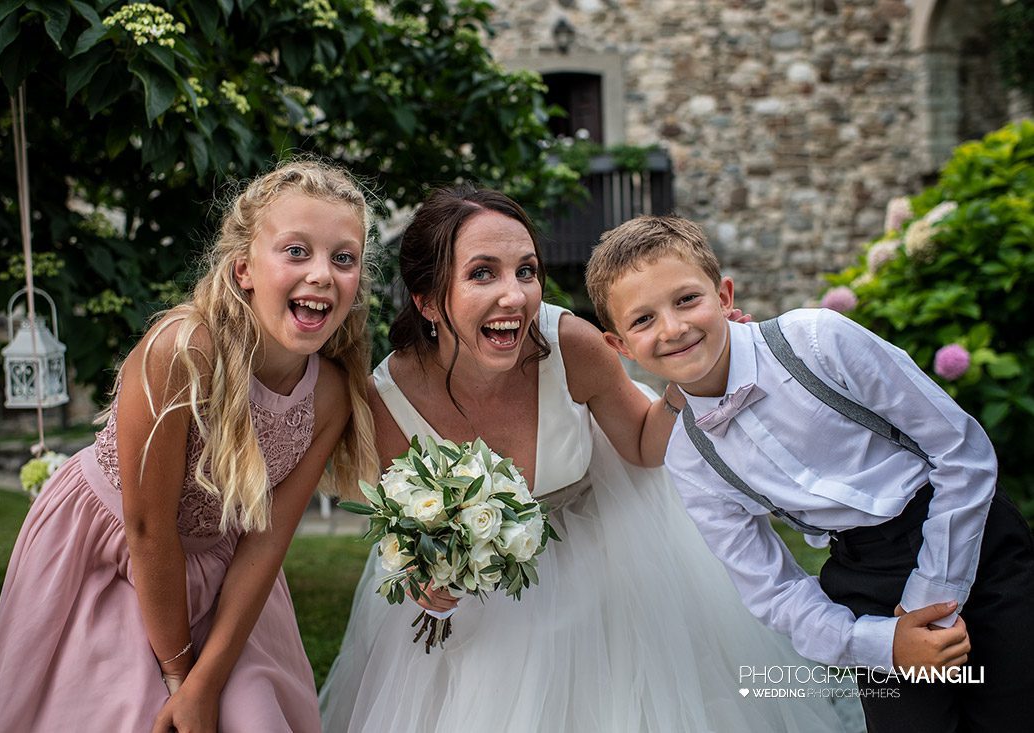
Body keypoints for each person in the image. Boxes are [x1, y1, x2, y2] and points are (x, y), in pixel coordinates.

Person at [319, 186, 845, 732]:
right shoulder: (389, 402)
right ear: (428, 300)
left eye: (526, 270)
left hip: (614, 568)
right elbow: (407, 539)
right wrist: (429, 584)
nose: (516, 296)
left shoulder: (569, 343)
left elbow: (643, 447)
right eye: (482, 273)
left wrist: (684, 383)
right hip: (487, 608)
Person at [0, 159, 379, 733]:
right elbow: (148, 531)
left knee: (253, 718)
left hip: (224, 566)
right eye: (296, 251)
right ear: (244, 270)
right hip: (111, 550)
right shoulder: (182, 353)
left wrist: (207, 682)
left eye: (343, 258)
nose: (321, 274)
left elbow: (264, 546)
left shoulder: (331, 395)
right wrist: (179, 679)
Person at [585, 215, 1034, 732]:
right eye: (642, 320)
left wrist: (932, 596)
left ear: (725, 294)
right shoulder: (690, 456)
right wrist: (881, 643)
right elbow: (773, 591)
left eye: (687, 299)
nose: (673, 328)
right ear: (618, 346)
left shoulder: (817, 341)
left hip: (969, 534)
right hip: (868, 583)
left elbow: (962, 451)